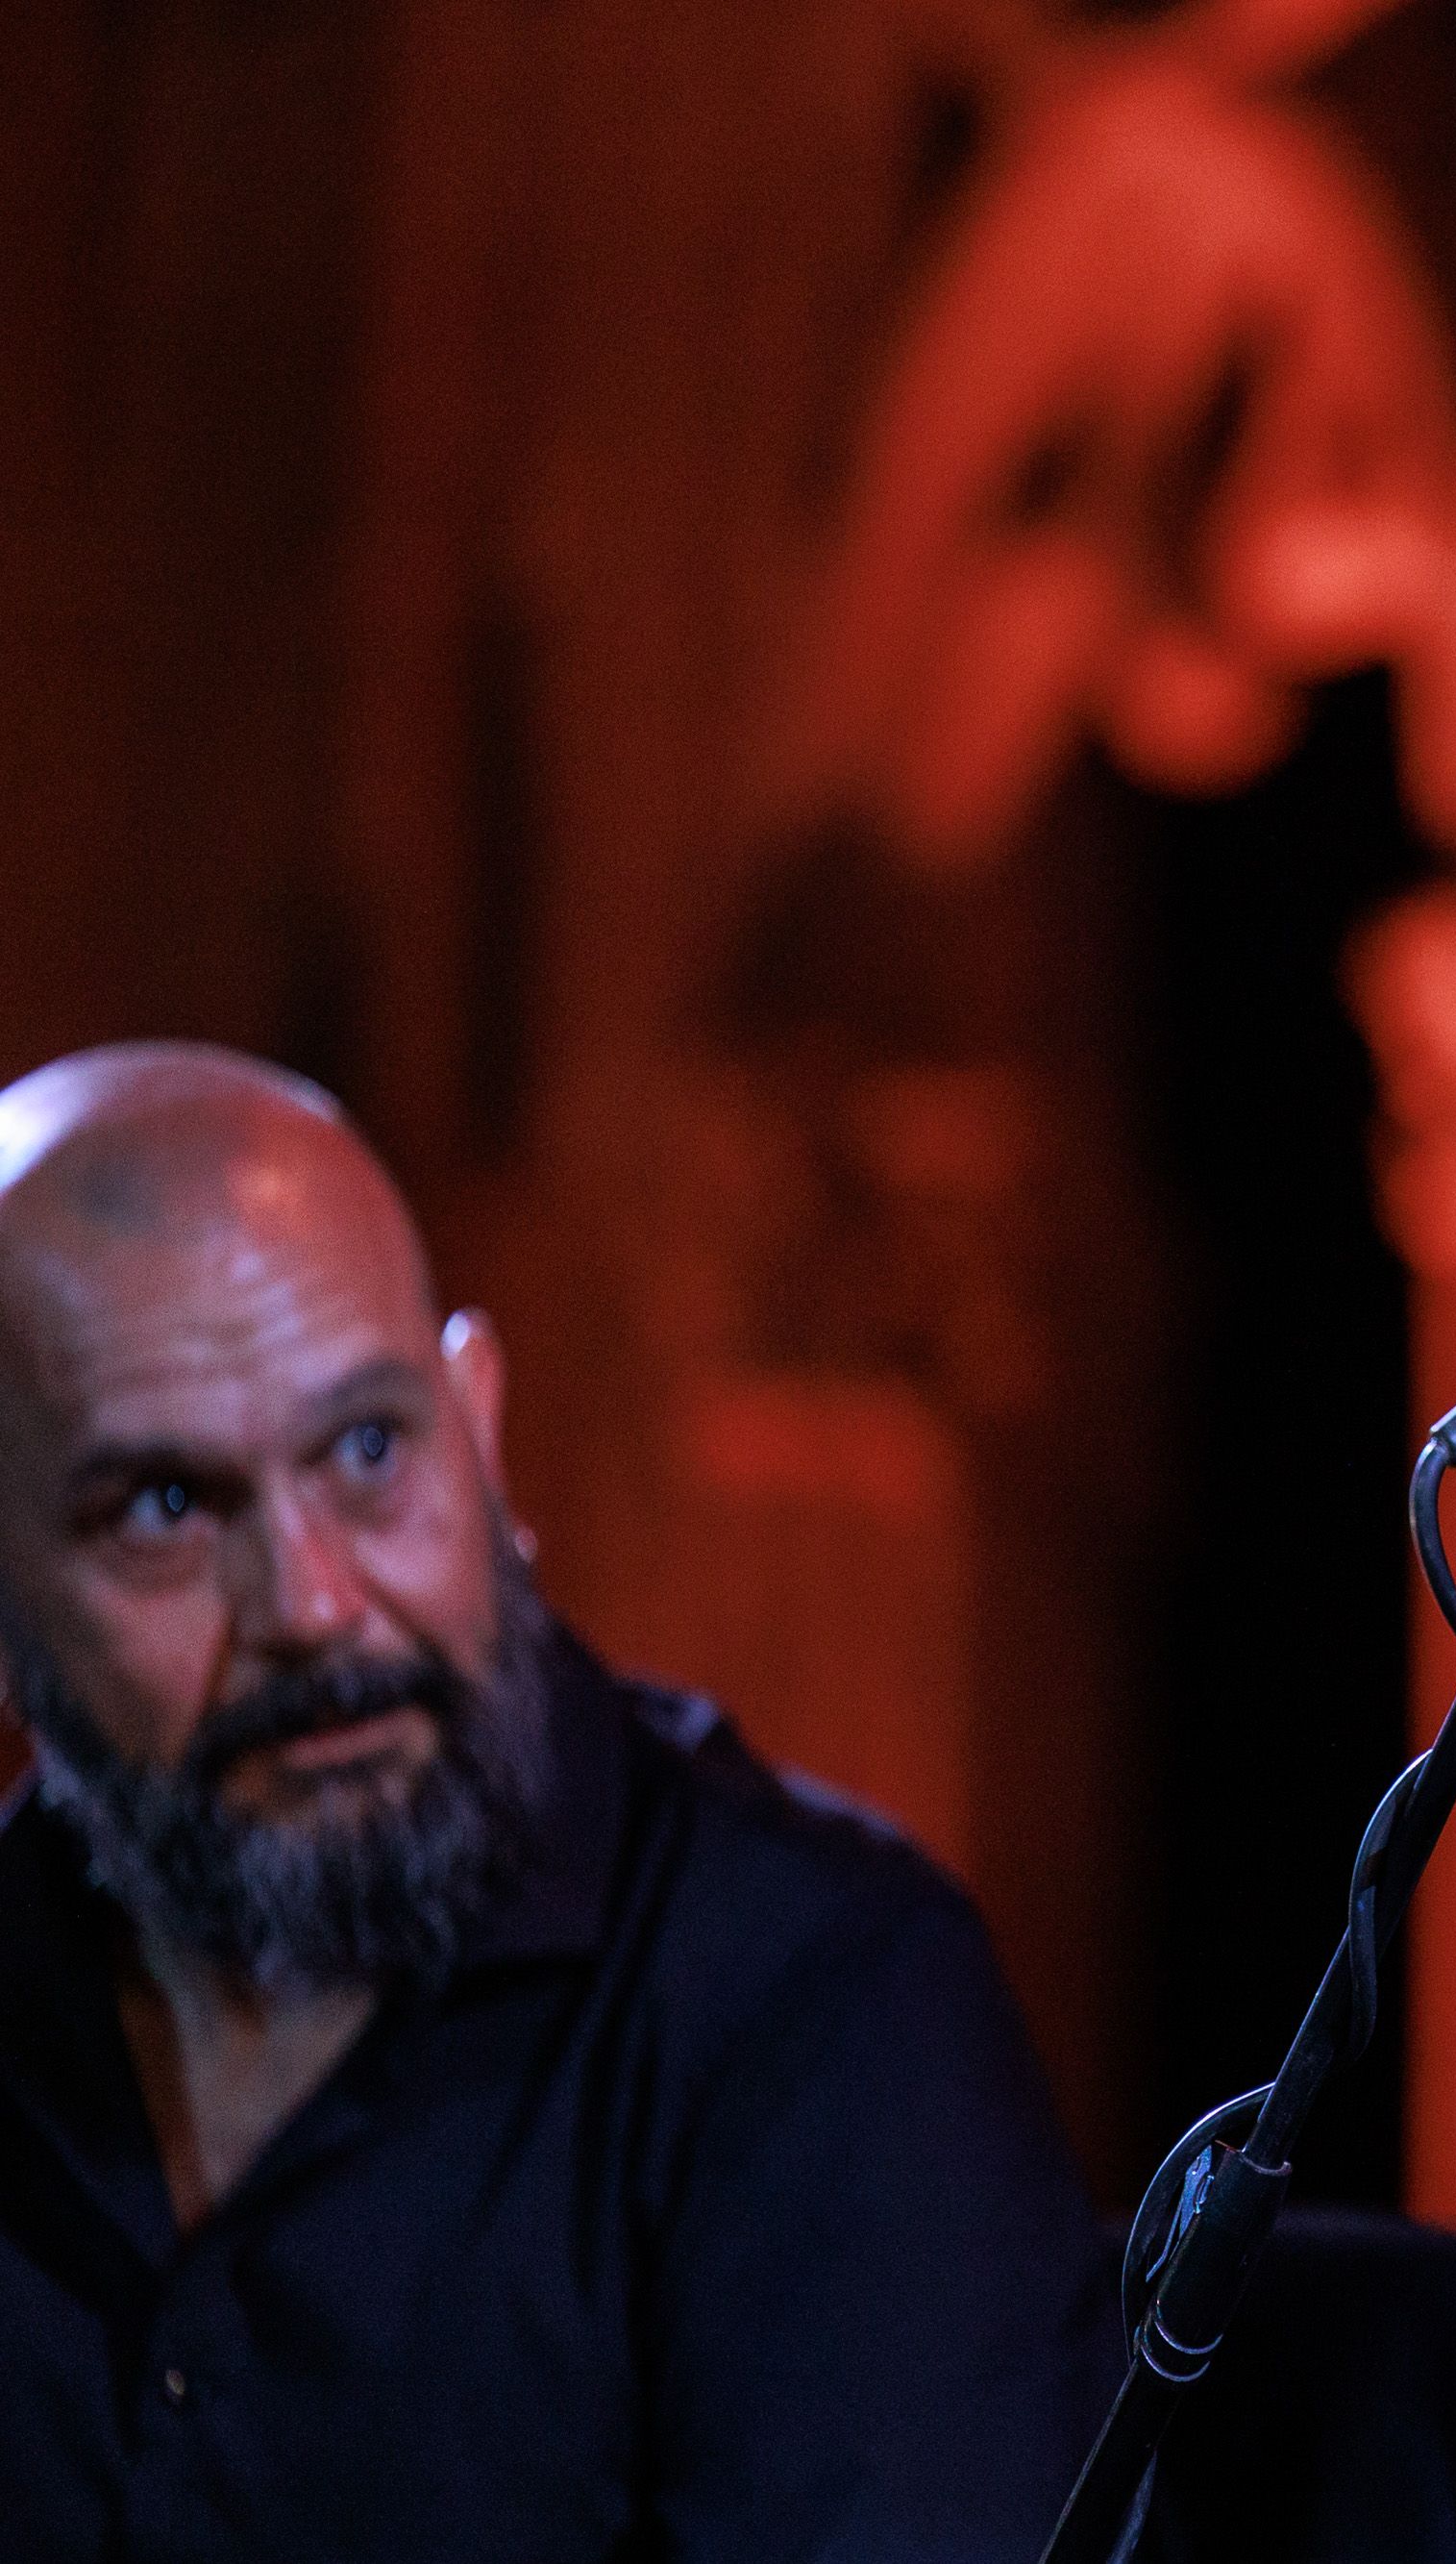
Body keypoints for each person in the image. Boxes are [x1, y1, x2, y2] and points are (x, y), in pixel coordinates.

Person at [0, 1043, 1116, 2558]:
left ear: (481, 1419)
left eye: (369, 1450)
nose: (316, 1607)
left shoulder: (818, 2013)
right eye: (168, 1509)